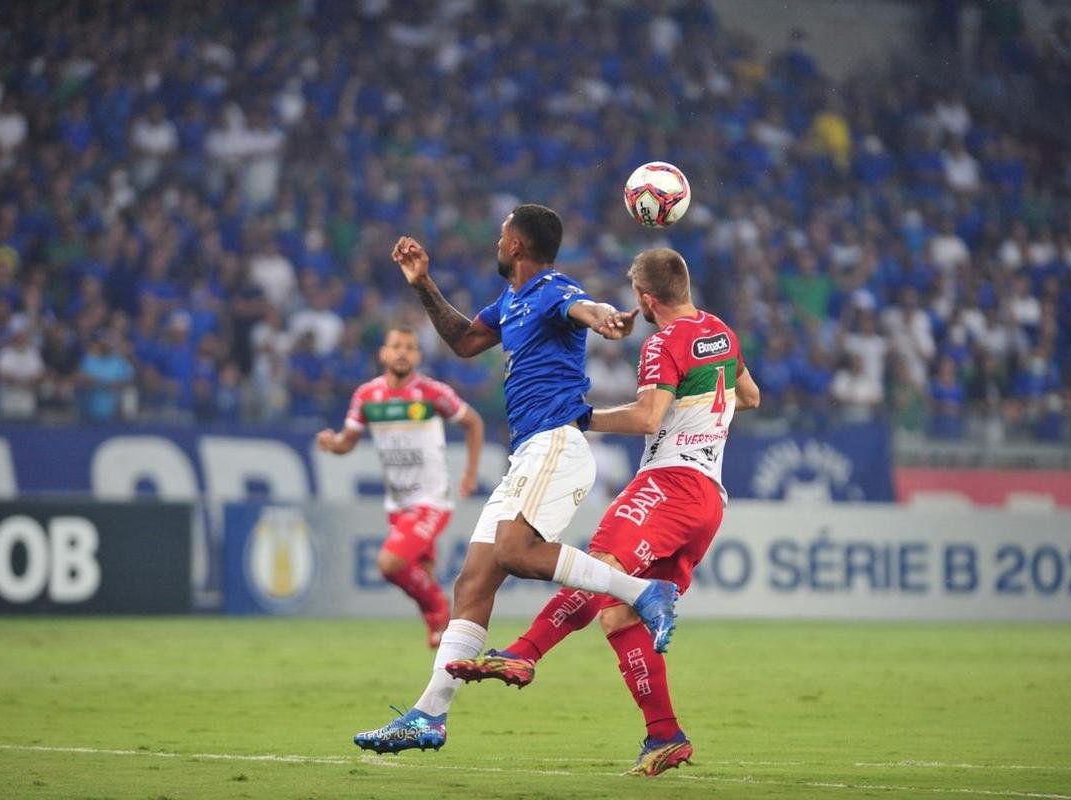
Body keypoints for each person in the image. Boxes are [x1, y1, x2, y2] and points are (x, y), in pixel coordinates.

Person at [354, 204, 678, 754]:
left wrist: (603, 317)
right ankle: (429, 716)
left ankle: (644, 591)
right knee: (473, 583)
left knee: (514, 551)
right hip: (527, 454)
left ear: (518, 245)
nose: (497, 241)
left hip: (556, 442)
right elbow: (463, 340)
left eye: (503, 233)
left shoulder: (553, 287)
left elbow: (583, 307)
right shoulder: (509, 302)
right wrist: (422, 282)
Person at [446, 248, 760, 776]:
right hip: (708, 497)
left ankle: (524, 652)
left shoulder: (662, 343)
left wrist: (582, 418)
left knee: (603, 568)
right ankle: (664, 735)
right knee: (618, 611)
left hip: (669, 485)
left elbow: (646, 417)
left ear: (645, 298)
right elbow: (748, 395)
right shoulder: (720, 331)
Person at [316, 325, 485, 648]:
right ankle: (442, 641)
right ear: (384, 353)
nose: (403, 352)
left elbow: (473, 422)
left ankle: (439, 609)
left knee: (389, 563)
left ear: (418, 356)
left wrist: (469, 474)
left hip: (432, 500)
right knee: (422, 571)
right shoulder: (367, 396)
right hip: (398, 503)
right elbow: (347, 442)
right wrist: (331, 443)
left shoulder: (433, 393)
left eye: (410, 347)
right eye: (396, 346)